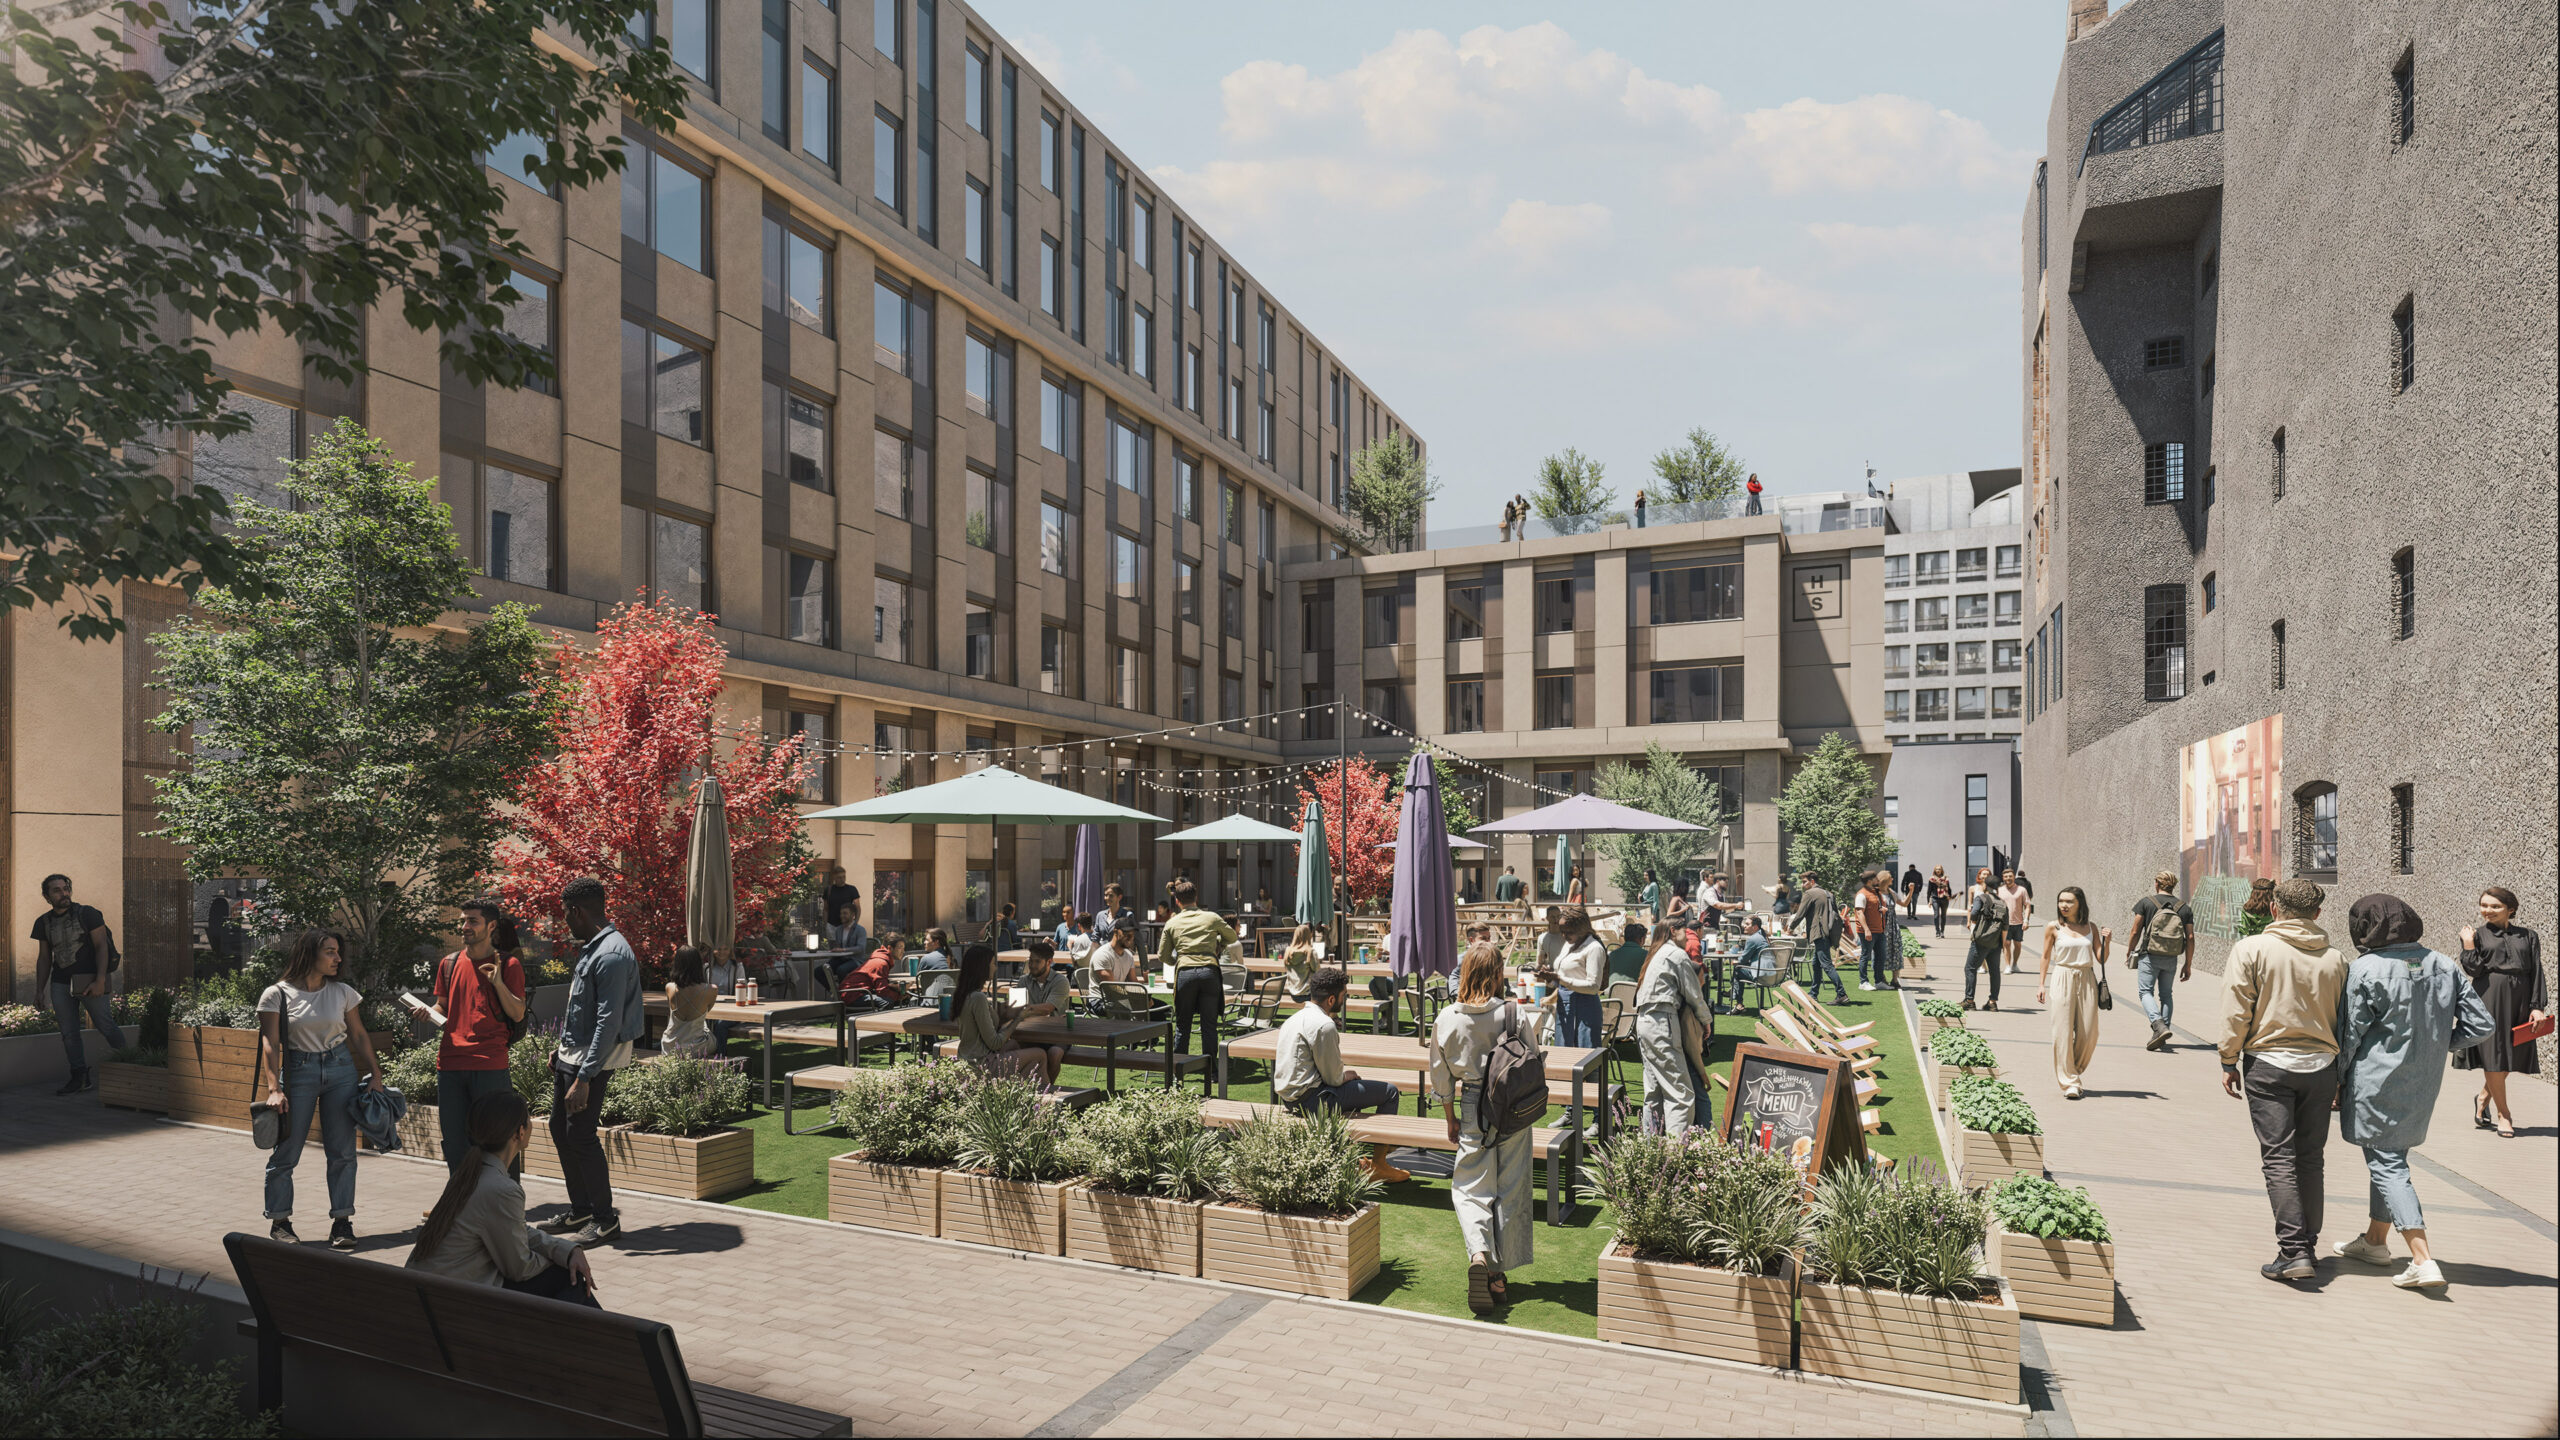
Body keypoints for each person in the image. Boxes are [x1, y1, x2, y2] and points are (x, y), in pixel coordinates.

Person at [2333, 894, 2496, 1291]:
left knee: (2387, 1164)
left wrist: (2335, 1080)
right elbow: (2482, 1025)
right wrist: (2439, 1043)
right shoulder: (2443, 963)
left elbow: (2350, 1034)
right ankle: (2374, 1241)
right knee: (2390, 1157)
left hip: (2375, 1081)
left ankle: (2422, 1259)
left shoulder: (2366, 968)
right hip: (2423, 1082)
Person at [2217, 878, 2349, 1282]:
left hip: (2269, 1065)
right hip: (2322, 1067)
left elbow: (2236, 1009)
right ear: (2319, 914)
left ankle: (2292, 1251)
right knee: (2311, 1159)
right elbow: (2345, 1022)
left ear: (2275, 909)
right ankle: (2306, 1244)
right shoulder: (2336, 959)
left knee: (2278, 1157)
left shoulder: (2252, 949)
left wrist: (2228, 1058)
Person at [407, 1091, 599, 1308]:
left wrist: (566, 1250)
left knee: (563, 1275)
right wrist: (559, 1262)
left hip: (428, 1297)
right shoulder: (501, 1189)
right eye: (528, 1119)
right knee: (566, 1278)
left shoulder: (469, 1174)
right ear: (519, 1132)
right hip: (452, 1305)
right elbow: (520, 1268)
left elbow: (516, 1230)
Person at [257, 928, 386, 1249]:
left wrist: (375, 1072)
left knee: (343, 1151)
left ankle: (342, 1222)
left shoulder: (343, 992)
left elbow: (357, 1034)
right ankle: (280, 1221)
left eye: (338, 952)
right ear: (309, 953)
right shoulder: (277, 994)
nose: (337, 958)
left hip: (341, 1069)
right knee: (286, 1151)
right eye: (330, 951)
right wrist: (274, 1088)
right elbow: (270, 1042)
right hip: (299, 1071)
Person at [1428, 943, 1538, 1312]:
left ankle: (1479, 1254)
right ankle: (1498, 1275)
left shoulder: (1446, 1018)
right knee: (1510, 1187)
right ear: (1496, 973)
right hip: (1512, 1107)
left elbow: (1440, 1076)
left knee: (1470, 1186)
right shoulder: (1512, 1013)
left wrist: (1450, 1118)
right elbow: (1533, 1058)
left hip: (1473, 1103)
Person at [544, 877, 645, 1248]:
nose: (564, 922)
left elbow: (608, 1020)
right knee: (560, 1129)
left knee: (581, 1136)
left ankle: (605, 1220)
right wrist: (563, 1047)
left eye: (564, 914)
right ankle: (581, 1209)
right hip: (575, 1053)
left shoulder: (611, 954)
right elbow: (579, 1009)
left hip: (593, 1061)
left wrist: (584, 1077)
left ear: (577, 911)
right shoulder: (593, 948)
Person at [1272, 967, 1407, 1181]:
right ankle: (1379, 1165)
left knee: (1357, 1089)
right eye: (1345, 995)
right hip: (1313, 1101)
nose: (1346, 999)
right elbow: (1333, 1079)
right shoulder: (1324, 1025)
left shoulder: (1294, 1019)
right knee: (1389, 1091)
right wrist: (1348, 1074)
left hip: (1290, 1099)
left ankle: (1351, 1155)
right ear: (1332, 999)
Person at [427, 896, 530, 1173]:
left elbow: (518, 1013)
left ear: (491, 925)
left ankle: (505, 1207)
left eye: (472, 921)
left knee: (499, 1140)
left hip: (489, 1065)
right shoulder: (448, 963)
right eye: (463, 921)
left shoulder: (508, 965)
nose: (465, 926)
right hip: (449, 1064)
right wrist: (429, 1012)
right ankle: (461, 1208)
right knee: (455, 1144)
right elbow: (443, 1006)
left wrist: (497, 982)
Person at [2453, 885, 2546, 1138]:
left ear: (2510, 909)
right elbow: (2473, 970)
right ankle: (2504, 1114)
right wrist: (2469, 945)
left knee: (2513, 1054)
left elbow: (2536, 971)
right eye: (2484, 905)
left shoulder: (2529, 936)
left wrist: (2537, 1007)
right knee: (2495, 1055)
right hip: (2489, 997)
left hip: (2521, 997)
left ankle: (2484, 1096)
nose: (2487, 910)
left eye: (2495, 906)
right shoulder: (2476, 935)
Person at [32, 874, 123, 1096]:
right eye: (57, 890)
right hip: (60, 983)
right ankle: (79, 1077)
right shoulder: (43, 922)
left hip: (90, 981)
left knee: (105, 1025)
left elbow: (102, 946)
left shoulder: (88, 913)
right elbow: (44, 958)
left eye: (66, 888)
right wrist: (39, 991)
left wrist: (100, 979)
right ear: (46, 896)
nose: (64, 893)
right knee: (69, 1033)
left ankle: (133, 1064)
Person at [1155, 879, 1238, 1079]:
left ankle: (1178, 1071)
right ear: (1196, 898)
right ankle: (1212, 1071)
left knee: (1183, 1024)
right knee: (1209, 1025)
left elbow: (1162, 955)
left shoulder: (1172, 922)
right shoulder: (1211, 917)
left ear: (1177, 901)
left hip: (1185, 973)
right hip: (1209, 972)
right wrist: (1218, 942)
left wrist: (1179, 958)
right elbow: (1233, 937)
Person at [1634, 924, 1713, 1134]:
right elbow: (1694, 993)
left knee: (1655, 1092)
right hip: (1662, 1021)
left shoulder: (1656, 954)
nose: (1688, 937)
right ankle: (1676, 1156)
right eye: (1683, 931)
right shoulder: (1676, 954)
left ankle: (1651, 1151)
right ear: (1672, 932)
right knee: (1681, 1095)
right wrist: (1706, 1020)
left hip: (1644, 1021)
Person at [2035, 887, 2109, 1099]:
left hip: (2086, 978)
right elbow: (2046, 956)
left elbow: (2101, 958)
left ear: (2080, 904)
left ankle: (2072, 1069)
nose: (2064, 906)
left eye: (2069, 901)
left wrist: (2107, 942)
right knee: (2063, 1032)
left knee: (2089, 1033)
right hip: (2062, 976)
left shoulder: (2090, 927)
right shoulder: (2054, 927)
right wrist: (2041, 984)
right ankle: (2070, 1082)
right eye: (2061, 901)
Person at [949, 944, 1052, 1082]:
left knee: (1015, 1045)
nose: (995, 968)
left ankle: (1024, 1095)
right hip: (981, 1065)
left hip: (967, 1059)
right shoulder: (978, 998)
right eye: (993, 964)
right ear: (982, 967)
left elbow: (982, 1030)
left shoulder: (964, 994)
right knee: (1040, 1055)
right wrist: (1019, 1018)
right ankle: (1047, 1098)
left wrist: (1006, 1015)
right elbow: (995, 1043)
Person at [2128, 871, 2196, 1051]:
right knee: (2166, 995)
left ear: (2157, 883)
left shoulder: (2146, 902)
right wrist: (2187, 964)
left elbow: (2135, 931)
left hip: (2149, 955)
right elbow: (2190, 937)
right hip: (2171, 957)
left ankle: (2158, 1025)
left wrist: (2129, 951)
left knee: (2145, 992)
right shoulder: (2184, 908)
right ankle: (2162, 1032)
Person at [1539, 908, 1608, 1048]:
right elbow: (1564, 977)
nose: (1563, 935)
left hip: (1585, 1007)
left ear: (1581, 928)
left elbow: (1594, 986)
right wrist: (1549, 977)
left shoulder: (1594, 948)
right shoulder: (1569, 944)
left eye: (1568, 932)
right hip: (1565, 1007)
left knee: (1584, 1057)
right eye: (1562, 931)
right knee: (1564, 1055)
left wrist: (1559, 979)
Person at [1789, 872, 1848, 1005]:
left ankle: (1842, 994)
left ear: (1812, 881)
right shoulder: (1828, 893)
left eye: (1804, 882)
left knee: (1826, 964)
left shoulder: (1810, 894)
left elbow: (1800, 914)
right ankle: (1813, 993)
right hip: (1829, 932)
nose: (1803, 885)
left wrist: (1790, 927)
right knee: (1816, 964)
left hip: (1819, 932)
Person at [658, 947, 717, 1060]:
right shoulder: (711, 990)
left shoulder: (670, 987)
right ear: (698, 964)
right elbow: (707, 1010)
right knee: (716, 1036)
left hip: (670, 1044)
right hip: (696, 1046)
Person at [1963, 867, 2006, 1011]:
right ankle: (1992, 1002)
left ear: (1985, 885)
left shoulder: (1980, 897)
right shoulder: (2002, 903)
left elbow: (1974, 913)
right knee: (1994, 971)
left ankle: (1969, 1000)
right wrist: (2004, 945)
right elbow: (2006, 926)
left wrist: (1974, 925)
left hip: (1981, 940)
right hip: (1996, 942)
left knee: (1970, 968)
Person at [1854, 871, 1898, 991]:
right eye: (1875, 879)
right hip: (1868, 931)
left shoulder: (1876, 892)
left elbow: (1875, 908)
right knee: (1865, 955)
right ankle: (1863, 982)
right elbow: (1859, 913)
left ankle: (1879, 982)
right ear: (1870, 881)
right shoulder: (1862, 894)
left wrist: (1882, 910)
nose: (1878, 880)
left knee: (1881, 956)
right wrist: (1866, 930)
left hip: (1880, 930)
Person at [1728, 916, 1781, 1009]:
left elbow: (1743, 960)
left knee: (1737, 969)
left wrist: (1736, 961)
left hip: (1762, 975)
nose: (1744, 926)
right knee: (1740, 969)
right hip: (1772, 974)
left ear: (1755, 927)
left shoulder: (1753, 939)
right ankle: (1734, 994)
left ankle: (1737, 1001)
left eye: (1747, 924)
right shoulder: (1762, 937)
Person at [1998, 869, 2033, 974]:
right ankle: (2008, 965)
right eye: (2006, 876)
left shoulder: (2021, 890)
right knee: (2007, 944)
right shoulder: (1999, 890)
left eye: (2010, 876)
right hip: (2004, 923)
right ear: (2003, 878)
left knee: (2018, 944)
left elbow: (2027, 905)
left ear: (2014, 877)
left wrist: (2026, 920)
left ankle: (2015, 964)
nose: (2008, 878)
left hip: (2018, 922)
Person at [1278, 922, 1325, 999]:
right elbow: (1317, 971)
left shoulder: (1288, 951)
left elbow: (1285, 967)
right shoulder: (1311, 952)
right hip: (1308, 993)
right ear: (1309, 935)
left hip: (1292, 992)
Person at [1605, 921, 1650, 987]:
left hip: (1613, 994)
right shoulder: (1646, 955)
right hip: (1634, 994)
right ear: (1642, 939)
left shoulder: (1612, 954)